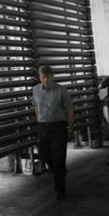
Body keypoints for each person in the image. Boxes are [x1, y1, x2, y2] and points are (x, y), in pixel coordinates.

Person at [32, 65, 74, 200]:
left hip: (58, 126)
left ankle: (60, 189)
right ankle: (56, 170)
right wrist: (38, 120)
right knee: (44, 154)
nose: (46, 80)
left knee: (59, 157)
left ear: (52, 77)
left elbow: (69, 109)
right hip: (43, 126)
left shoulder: (61, 90)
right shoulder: (36, 90)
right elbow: (36, 107)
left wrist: (70, 127)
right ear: (40, 78)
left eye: (48, 77)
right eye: (43, 77)